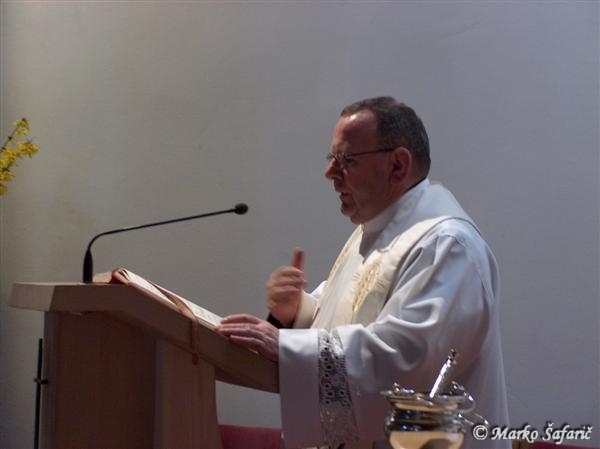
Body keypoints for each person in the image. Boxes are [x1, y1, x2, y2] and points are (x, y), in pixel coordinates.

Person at [216, 96, 509, 449]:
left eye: (346, 160)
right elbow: (350, 319)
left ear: (397, 165)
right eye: (331, 158)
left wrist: (289, 347)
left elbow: (406, 362)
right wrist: (298, 313)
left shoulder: (447, 246)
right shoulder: (374, 233)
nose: (330, 173)